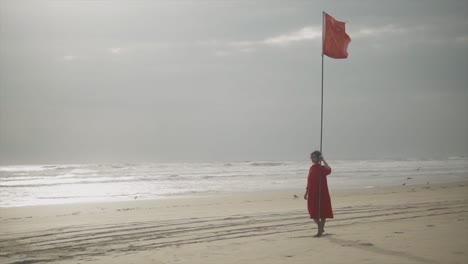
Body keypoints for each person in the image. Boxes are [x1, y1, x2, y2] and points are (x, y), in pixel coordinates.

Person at [303, 150, 333, 237]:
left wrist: (323, 160)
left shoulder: (322, 168)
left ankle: (320, 231)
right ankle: (320, 227)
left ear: (318, 158)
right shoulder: (311, 168)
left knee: (323, 212)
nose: (312, 159)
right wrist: (306, 192)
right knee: (312, 212)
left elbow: (329, 170)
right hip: (312, 193)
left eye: (314, 157)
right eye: (311, 157)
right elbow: (309, 182)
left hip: (321, 193)